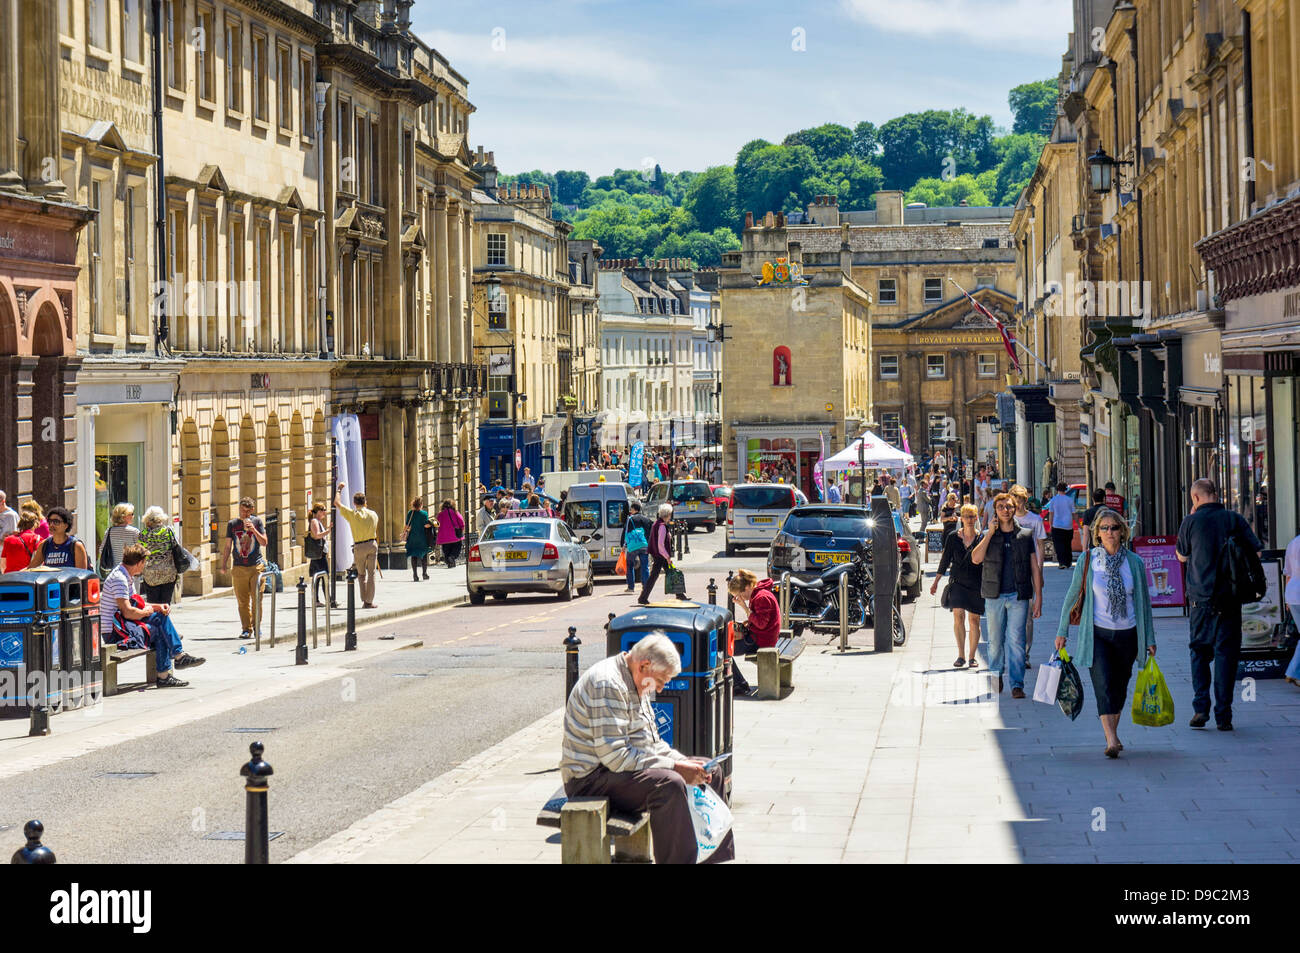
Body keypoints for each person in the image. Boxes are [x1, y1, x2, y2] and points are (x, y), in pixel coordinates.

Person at [560, 632, 734, 864]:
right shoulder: (608, 683)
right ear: (644, 665)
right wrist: (676, 768)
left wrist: (686, 763)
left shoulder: (638, 681)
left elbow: (651, 744)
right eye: (661, 681)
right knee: (669, 784)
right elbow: (616, 757)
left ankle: (712, 858)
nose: (660, 689)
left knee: (710, 773)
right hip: (589, 779)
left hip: (615, 772)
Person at [1054, 509, 1157, 758]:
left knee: (1119, 687)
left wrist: (1150, 638)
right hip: (1097, 634)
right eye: (1104, 528)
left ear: (1122, 531)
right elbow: (1072, 595)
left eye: (1114, 527)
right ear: (1097, 533)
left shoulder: (1134, 562)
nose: (1109, 532)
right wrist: (1062, 630)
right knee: (1103, 684)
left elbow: (1143, 603)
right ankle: (1111, 738)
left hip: (1128, 635)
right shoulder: (1088, 560)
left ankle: (1113, 733)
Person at [1176, 478, 1261, 730]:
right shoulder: (1233, 519)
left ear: (1195, 498)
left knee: (1199, 654)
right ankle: (1224, 714)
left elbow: (1181, 555)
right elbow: (1256, 552)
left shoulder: (1190, 522)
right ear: (1216, 494)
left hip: (1201, 600)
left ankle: (1200, 708)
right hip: (1231, 599)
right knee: (1226, 656)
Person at [101, 544, 204, 688]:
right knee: (159, 628)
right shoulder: (119, 579)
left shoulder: (125, 574)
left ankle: (172, 666)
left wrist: (157, 607)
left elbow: (137, 604)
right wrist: (147, 612)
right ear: (138, 563)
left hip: (126, 626)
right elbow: (128, 612)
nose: (145, 567)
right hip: (116, 634)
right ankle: (172, 665)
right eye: (144, 563)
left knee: (160, 618)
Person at [970, 492, 1043, 697]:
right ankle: (996, 675)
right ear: (995, 510)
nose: (1005, 510)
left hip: (1019, 595)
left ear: (1015, 508)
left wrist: (1039, 597)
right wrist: (989, 534)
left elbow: (1034, 567)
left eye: (1009, 506)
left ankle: (1017, 684)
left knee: (1017, 640)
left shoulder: (1025, 535)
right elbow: (976, 559)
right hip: (994, 596)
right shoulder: (988, 534)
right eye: (1001, 507)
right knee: (994, 641)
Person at [931, 504, 985, 669]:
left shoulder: (981, 538)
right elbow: (945, 560)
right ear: (961, 518)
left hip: (976, 583)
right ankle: (961, 655)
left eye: (972, 516)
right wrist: (936, 581)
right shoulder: (953, 537)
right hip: (958, 583)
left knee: (974, 620)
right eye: (966, 516)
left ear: (976, 518)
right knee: (958, 617)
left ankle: (972, 657)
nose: (969, 520)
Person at [222, 497, 268, 640]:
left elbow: (264, 542)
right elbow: (228, 545)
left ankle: (257, 627)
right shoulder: (232, 524)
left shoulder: (257, 522)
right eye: (242, 510)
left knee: (257, 598)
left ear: (252, 511)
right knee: (242, 601)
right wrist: (224, 563)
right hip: (239, 566)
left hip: (256, 566)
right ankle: (246, 629)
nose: (244, 513)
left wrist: (253, 530)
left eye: (247, 511)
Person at [1011, 484, 1047, 661]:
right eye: (1014, 501)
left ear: (1025, 500)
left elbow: (1040, 545)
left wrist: (1040, 571)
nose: (1017, 505)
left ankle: (1024, 652)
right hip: (1011, 571)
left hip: (1029, 569)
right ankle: (1014, 650)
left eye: (1020, 501)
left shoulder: (1035, 520)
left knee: (1027, 617)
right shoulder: (1006, 520)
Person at [336, 483, 380, 609]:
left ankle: (364, 598)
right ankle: (369, 601)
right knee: (371, 573)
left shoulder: (352, 514)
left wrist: (339, 489)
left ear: (354, 503)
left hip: (359, 546)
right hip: (371, 544)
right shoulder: (373, 514)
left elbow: (337, 503)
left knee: (361, 575)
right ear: (365, 502)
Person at [138, 506, 182, 604]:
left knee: (153, 604)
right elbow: (176, 547)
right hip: (168, 572)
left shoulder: (143, 534)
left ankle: (155, 619)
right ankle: (164, 619)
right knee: (165, 604)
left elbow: (140, 552)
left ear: (148, 520)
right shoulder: (169, 531)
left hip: (150, 574)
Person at [638, 503, 679, 605]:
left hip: (659, 555)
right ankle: (643, 597)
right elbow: (660, 545)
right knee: (655, 576)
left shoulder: (657, 523)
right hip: (660, 555)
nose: (671, 516)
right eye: (670, 514)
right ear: (668, 514)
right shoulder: (661, 526)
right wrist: (667, 557)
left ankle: (679, 594)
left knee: (669, 573)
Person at [622, 500, 653, 593]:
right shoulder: (646, 519)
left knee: (630, 565)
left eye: (631, 509)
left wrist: (623, 545)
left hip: (633, 546)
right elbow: (650, 532)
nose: (630, 510)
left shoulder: (630, 519)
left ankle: (631, 587)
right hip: (644, 545)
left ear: (633, 509)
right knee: (645, 566)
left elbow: (626, 532)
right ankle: (646, 586)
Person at [101, 502, 140, 572]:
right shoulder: (134, 532)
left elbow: (102, 549)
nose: (133, 516)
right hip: (131, 570)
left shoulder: (109, 532)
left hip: (115, 571)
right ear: (123, 516)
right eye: (131, 514)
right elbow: (140, 551)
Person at [401, 496, 434, 581]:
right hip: (422, 538)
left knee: (414, 556)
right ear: (421, 505)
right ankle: (424, 574)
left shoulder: (410, 513)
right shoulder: (424, 514)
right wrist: (432, 524)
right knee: (424, 556)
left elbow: (407, 525)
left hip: (412, 538)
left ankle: (415, 575)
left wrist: (403, 533)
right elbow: (426, 525)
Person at [1046, 483, 1076, 570]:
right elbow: (1074, 513)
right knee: (1067, 544)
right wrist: (1077, 523)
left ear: (1057, 489)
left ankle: (1061, 562)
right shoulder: (1069, 500)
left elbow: (1051, 514)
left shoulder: (1054, 500)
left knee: (1058, 545)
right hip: (1068, 526)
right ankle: (1068, 561)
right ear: (1065, 489)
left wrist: (1050, 524)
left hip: (1057, 525)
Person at [306, 502, 331, 606]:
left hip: (320, 553)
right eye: (324, 510)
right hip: (319, 554)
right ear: (319, 511)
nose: (325, 512)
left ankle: (318, 600)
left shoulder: (317, 521)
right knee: (324, 576)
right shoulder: (314, 521)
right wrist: (328, 531)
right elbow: (316, 536)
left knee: (319, 577)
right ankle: (327, 600)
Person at [1284, 528, 1300, 688]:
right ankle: (1293, 671)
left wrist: (1287, 600)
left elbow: (1288, 573)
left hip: (1293, 594)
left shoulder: (1293, 543)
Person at [436, 499, 466, 569]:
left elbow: (437, 524)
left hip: (444, 538)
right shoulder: (455, 512)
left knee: (446, 551)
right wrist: (461, 530)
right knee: (456, 550)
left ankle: (450, 563)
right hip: (455, 536)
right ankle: (451, 558)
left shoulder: (440, 514)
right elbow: (462, 522)